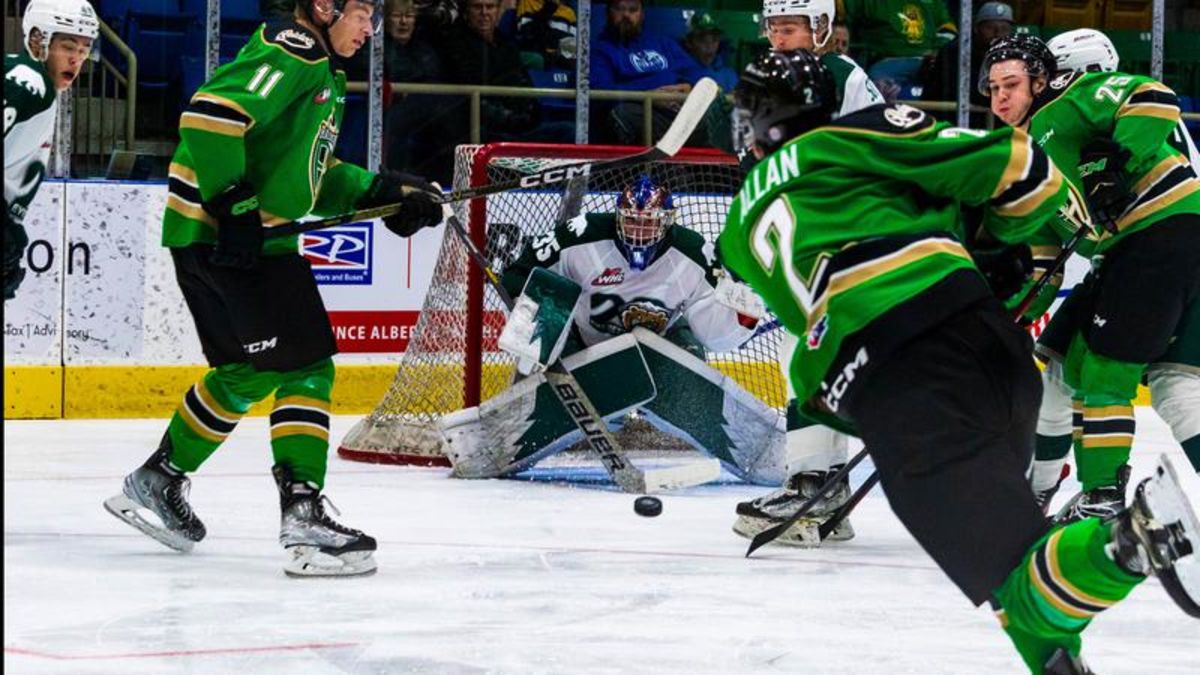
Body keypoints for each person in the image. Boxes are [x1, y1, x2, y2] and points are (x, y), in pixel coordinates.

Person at [722, 47, 1200, 674]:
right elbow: (1020, 173)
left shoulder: (737, 222)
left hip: (900, 376)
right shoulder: (867, 131)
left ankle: (1130, 537)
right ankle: (1058, 654)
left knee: (1009, 561)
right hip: (987, 349)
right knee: (1009, 573)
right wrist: (994, 231)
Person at [103, 0, 444, 578]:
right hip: (236, 242)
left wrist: (384, 192)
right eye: (362, 13)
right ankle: (304, 513)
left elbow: (304, 174)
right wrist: (233, 204)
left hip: (205, 238)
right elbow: (210, 115)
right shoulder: (297, 48)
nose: (370, 29)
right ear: (323, 7)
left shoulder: (320, 70)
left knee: (247, 372)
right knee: (307, 366)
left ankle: (156, 479)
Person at [438, 176, 787, 486]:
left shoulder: (693, 252)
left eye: (649, 223)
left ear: (668, 223)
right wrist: (529, 310)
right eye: (632, 221)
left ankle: (752, 445)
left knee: (690, 346)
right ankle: (516, 414)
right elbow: (520, 274)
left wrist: (744, 309)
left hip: (656, 351)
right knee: (544, 311)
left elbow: (717, 333)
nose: (639, 231)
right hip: (583, 348)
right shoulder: (581, 233)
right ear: (618, 216)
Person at [981, 34, 1200, 522]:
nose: (1000, 97)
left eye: (1011, 84)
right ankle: (1037, 493)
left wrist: (1115, 160)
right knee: (1062, 362)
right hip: (1129, 252)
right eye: (992, 88)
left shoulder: (1073, 97)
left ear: (1041, 80)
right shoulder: (1020, 157)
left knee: (1105, 373)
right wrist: (1008, 314)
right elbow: (1042, 250)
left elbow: (1154, 97)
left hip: (1165, 235)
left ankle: (1102, 496)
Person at [731, 0, 883, 548]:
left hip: (839, 234)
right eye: (773, 28)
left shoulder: (845, 77)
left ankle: (813, 482)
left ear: (819, 30)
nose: (779, 38)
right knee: (804, 350)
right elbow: (754, 161)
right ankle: (823, 490)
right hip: (799, 234)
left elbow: (867, 153)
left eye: (789, 28)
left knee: (808, 351)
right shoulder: (765, 77)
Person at [4, 0, 98, 301]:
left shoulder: (22, 75)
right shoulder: (33, 85)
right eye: (68, 47)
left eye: (83, 51)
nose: (76, 60)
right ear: (37, 40)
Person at [590, 0, 710, 146]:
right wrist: (649, 96)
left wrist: (689, 87)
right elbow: (601, 92)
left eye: (633, 10)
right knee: (622, 114)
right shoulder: (599, 50)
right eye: (619, 9)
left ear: (642, 14)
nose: (626, 15)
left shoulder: (662, 43)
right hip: (640, 113)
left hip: (674, 113)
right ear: (608, 12)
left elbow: (697, 75)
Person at [840, 0, 957, 99]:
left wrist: (939, 52)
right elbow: (835, 9)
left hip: (930, 62)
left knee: (955, 80)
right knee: (878, 87)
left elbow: (948, 30)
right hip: (888, 62)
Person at [681, 12, 737, 93]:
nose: (709, 46)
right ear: (689, 43)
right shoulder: (681, 72)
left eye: (714, 40)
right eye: (702, 40)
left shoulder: (730, 75)